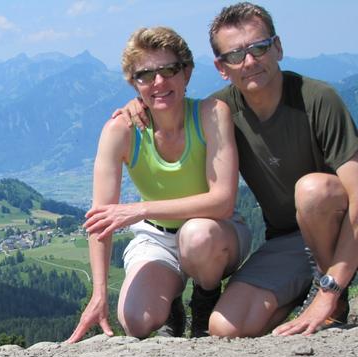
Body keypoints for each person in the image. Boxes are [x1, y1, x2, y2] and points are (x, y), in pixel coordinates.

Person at [117, 2, 358, 337]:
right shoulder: (220, 111)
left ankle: (332, 295)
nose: (249, 61)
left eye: (259, 47)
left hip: (341, 232)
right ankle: (304, 291)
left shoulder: (318, 99)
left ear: (278, 48)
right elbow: (172, 106)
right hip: (288, 242)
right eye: (235, 54)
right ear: (221, 67)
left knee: (313, 191)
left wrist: (330, 289)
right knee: (225, 327)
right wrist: (139, 105)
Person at [66, 26, 251, 343]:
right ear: (133, 83)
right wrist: (99, 293)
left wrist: (141, 209)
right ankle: (171, 308)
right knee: (135, 321)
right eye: (145, 75)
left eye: (169, 70)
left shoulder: (210, 114)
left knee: (197, 235)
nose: (159, 82)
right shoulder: (120, 130)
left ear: (187, 72)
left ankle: (205, 300)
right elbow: (101, 218)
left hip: (217, 232)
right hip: (157, 237)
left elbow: (222, 202)